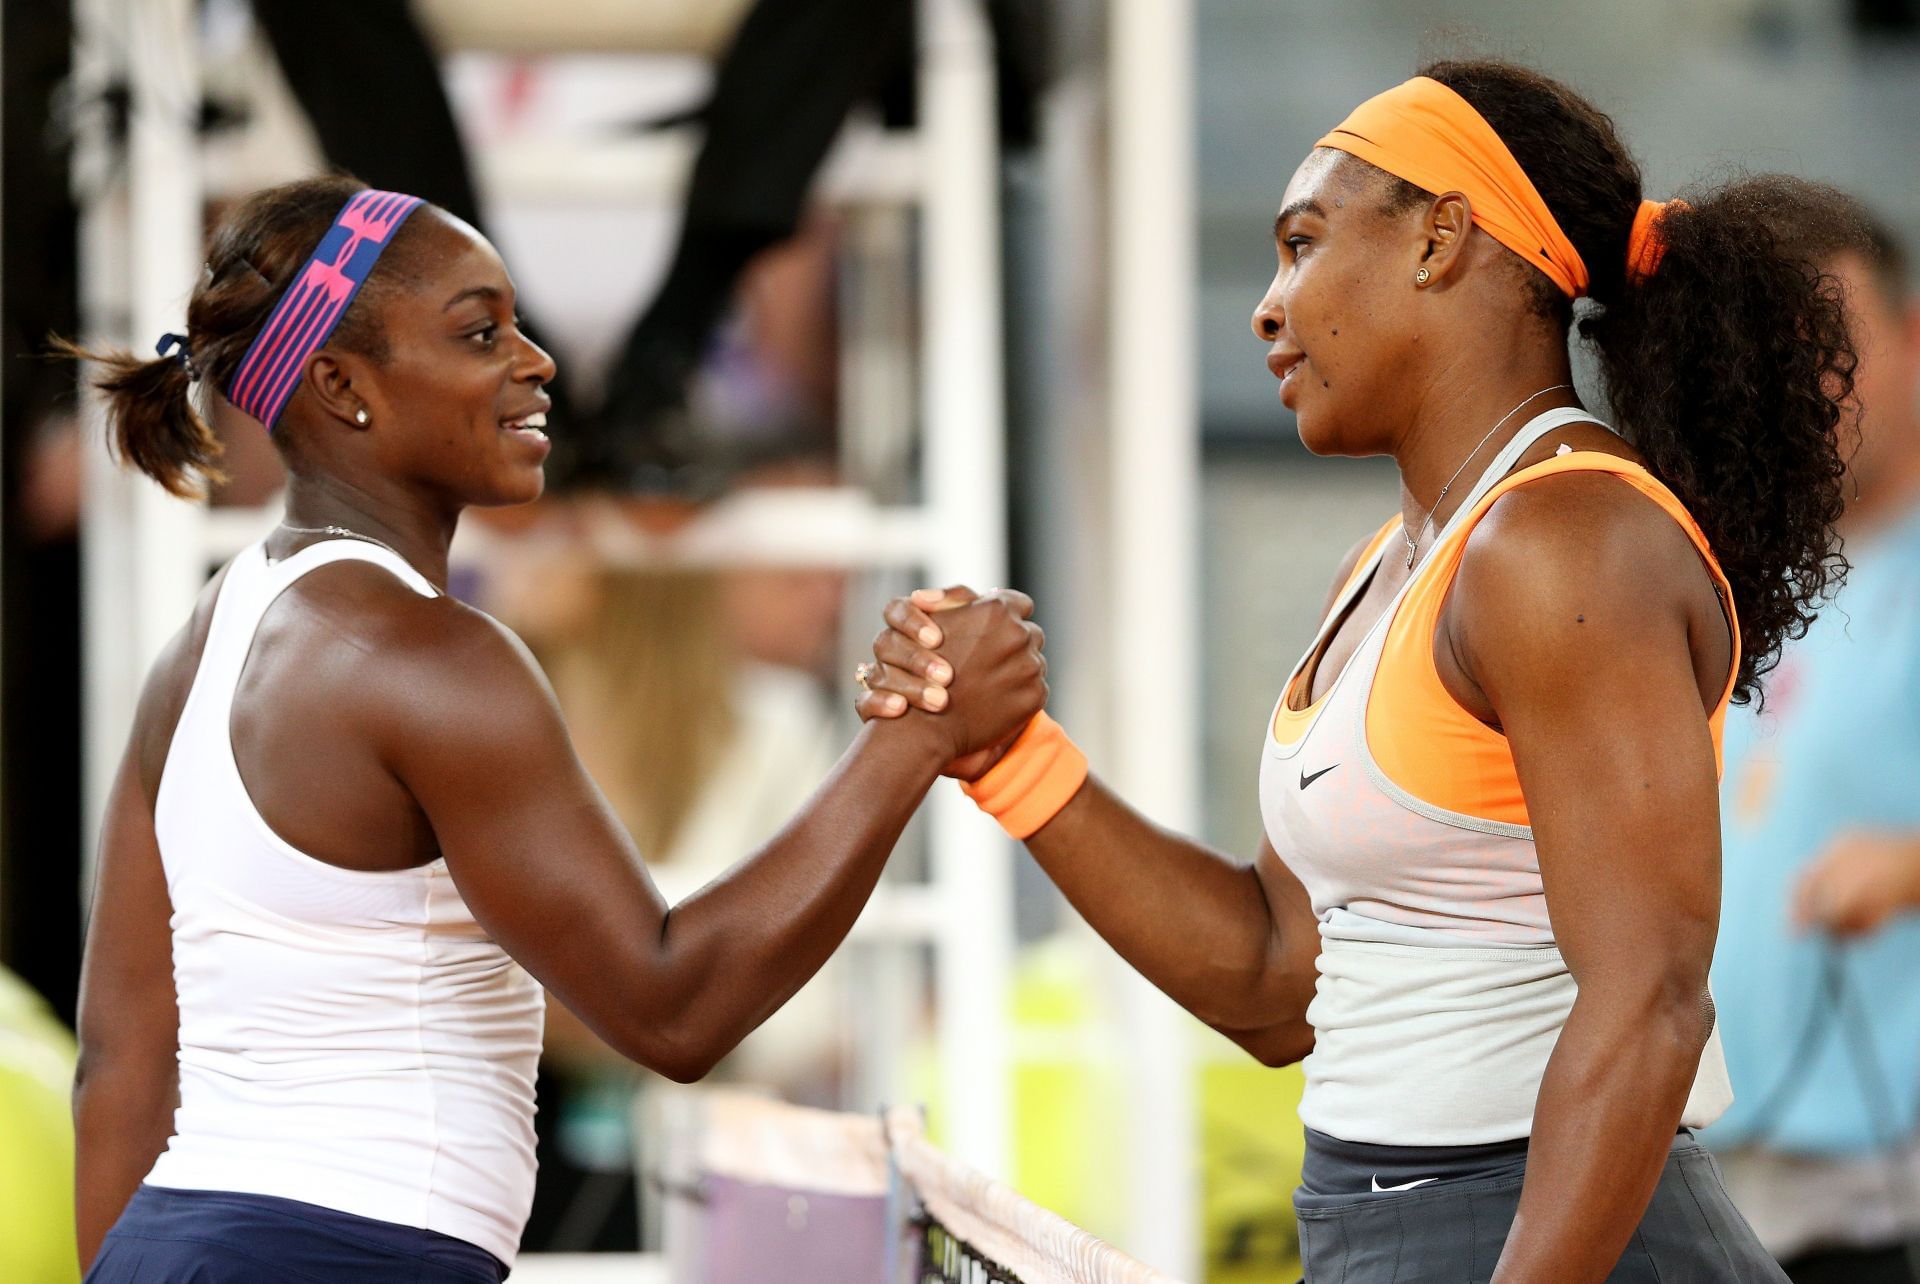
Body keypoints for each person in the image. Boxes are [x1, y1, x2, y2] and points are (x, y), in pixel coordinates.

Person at [857, 58, 1858, 1281]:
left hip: (1558, 1235)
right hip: (1395, 1222)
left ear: (1443, 238)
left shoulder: (1563, 543)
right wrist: (1011, 756)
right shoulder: (1396, 562)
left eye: (1303, 242)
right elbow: (1279, 982)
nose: (1268, 307)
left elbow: (1650, 999)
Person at [65, 174, 1047, 1282]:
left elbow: (121, 1062)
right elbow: (673, 1007)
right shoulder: (435, 659)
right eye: (481, 332)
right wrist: (917, 731)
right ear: (343, 387)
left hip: (172, 1246)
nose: (536, 363)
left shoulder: (203, 642)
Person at [1701, 201, 1920, 1282]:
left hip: (1880, 1195)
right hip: (1716, 1174)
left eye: (1837, 350)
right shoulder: (1741, 579)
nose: (1812, 387)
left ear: (1915, 338)